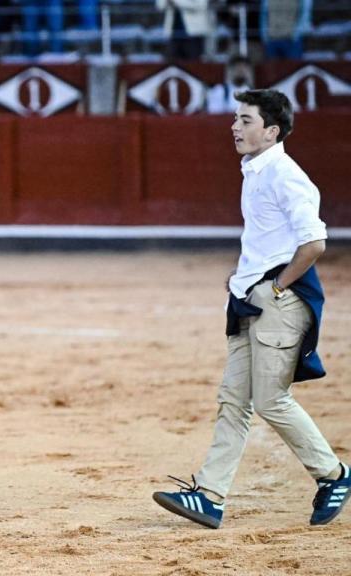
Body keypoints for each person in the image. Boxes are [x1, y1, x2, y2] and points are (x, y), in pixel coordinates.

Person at [153, 89, 350, 529]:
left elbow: (314, 242)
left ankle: (334, 475)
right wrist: (244, 279)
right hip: (251, 299)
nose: (235, 127)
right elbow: (270, 241)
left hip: (278, 302)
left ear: (271, 130)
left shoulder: (285, 174)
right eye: (236, 119)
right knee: (233, 401)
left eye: (245, 120)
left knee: (272, 400)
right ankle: (209, 496)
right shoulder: (258, 171)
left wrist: (277, 286)